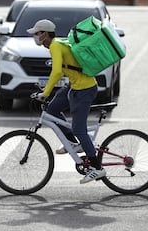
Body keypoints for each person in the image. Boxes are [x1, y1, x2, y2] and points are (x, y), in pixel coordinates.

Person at [27, 19, 107, 184]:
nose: (35, 36)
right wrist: (45, 90)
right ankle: (72, 142)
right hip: (75, 86)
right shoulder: (58, 44)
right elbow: (66, 69)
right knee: (52, 110)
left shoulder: (56, 46)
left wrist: (46, 92)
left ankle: (97, 167)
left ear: (45, 34)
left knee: (79, 129)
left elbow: (56, 72)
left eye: (37, 33)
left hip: (84, 89)